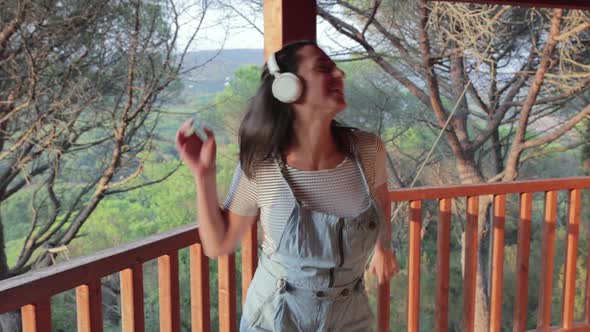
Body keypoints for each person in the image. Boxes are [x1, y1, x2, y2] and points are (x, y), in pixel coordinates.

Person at [176, 40, 399, 331]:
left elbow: (381, 202)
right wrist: (203, 176)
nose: (339, 75)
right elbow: (219, 244)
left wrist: (384, 248)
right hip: (275, 317)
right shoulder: (262, 164)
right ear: (287, 86)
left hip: (350, 317)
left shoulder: (368, 151)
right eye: (323, 68)